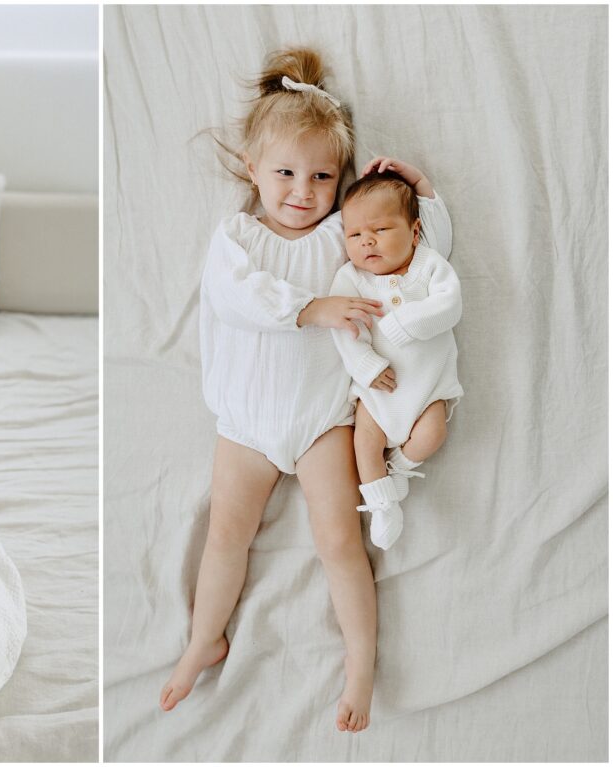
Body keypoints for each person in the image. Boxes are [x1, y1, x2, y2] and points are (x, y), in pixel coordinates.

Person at [159, 48, 452, 733]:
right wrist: (311, 309)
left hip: (325, 422)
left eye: (322, 176)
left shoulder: (338, 239)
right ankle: (206, 636)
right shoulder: (236, 238)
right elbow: (238, 298)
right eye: (285, 172)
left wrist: (420, 190)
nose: (303, 190)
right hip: (246, 424)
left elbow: (418, 250)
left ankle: (360, 659)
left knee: (340, 541)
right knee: (226, 533)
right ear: (252, 169)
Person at [330, 169, 462, 549]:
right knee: (364, 443)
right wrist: (366, 366)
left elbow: (449, 305)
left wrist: (407, 322)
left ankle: (399, 467)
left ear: (415, 232)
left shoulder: (429, 264)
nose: (366, 241)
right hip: (377, 389)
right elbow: (344, 327)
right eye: (354, 235)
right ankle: (382, 505)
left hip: (427, 386)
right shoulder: (351, 278)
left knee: (433, 433)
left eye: (381, 230)